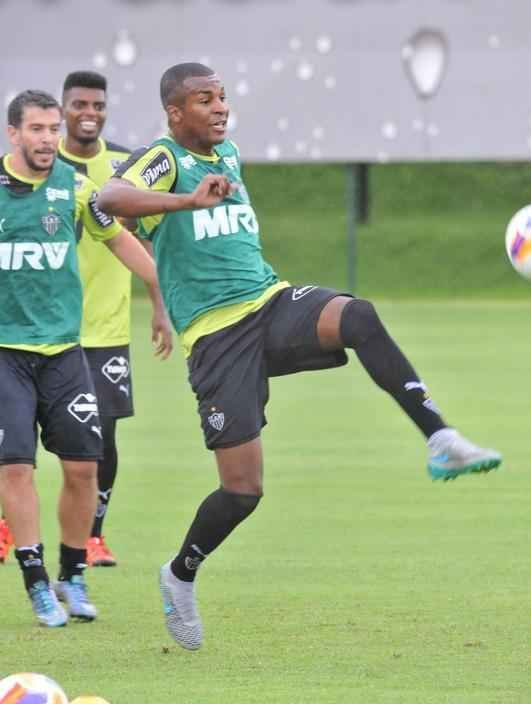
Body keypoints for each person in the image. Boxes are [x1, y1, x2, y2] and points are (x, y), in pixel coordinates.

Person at [97, 62, 503, 652]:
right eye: (203, 99)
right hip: (215, 339)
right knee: (242, 491)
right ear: (174, 112)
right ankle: (180, 571)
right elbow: (110, 196)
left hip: (268, 302)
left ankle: (440, 439)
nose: (218, 107)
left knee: (358, 316)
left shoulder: (227, 154)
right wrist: (184, 200)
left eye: (223, 97)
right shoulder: (165, 158)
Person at [0, 90, 172, 628]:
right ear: (13, 135)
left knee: (83, 468)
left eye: (53, 129)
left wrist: (162, 291)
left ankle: (71, 574)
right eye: (36, 129)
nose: (48, 138)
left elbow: (117, 239)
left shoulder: (75, 188)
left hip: (64, 352)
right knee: (17, 468)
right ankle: (35, 581)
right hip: (6, 354)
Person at [57, 70, 173, 567]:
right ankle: (6, 527)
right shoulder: (38, 165)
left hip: (106, 327)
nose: (90, 113)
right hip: (42, 326)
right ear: (62, 109)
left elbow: (144, 236)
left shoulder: (125, 167)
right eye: (80, 104)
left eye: (98, 105)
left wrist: (160, 305)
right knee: (16, 435)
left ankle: (92, 536)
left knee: (102, 435)